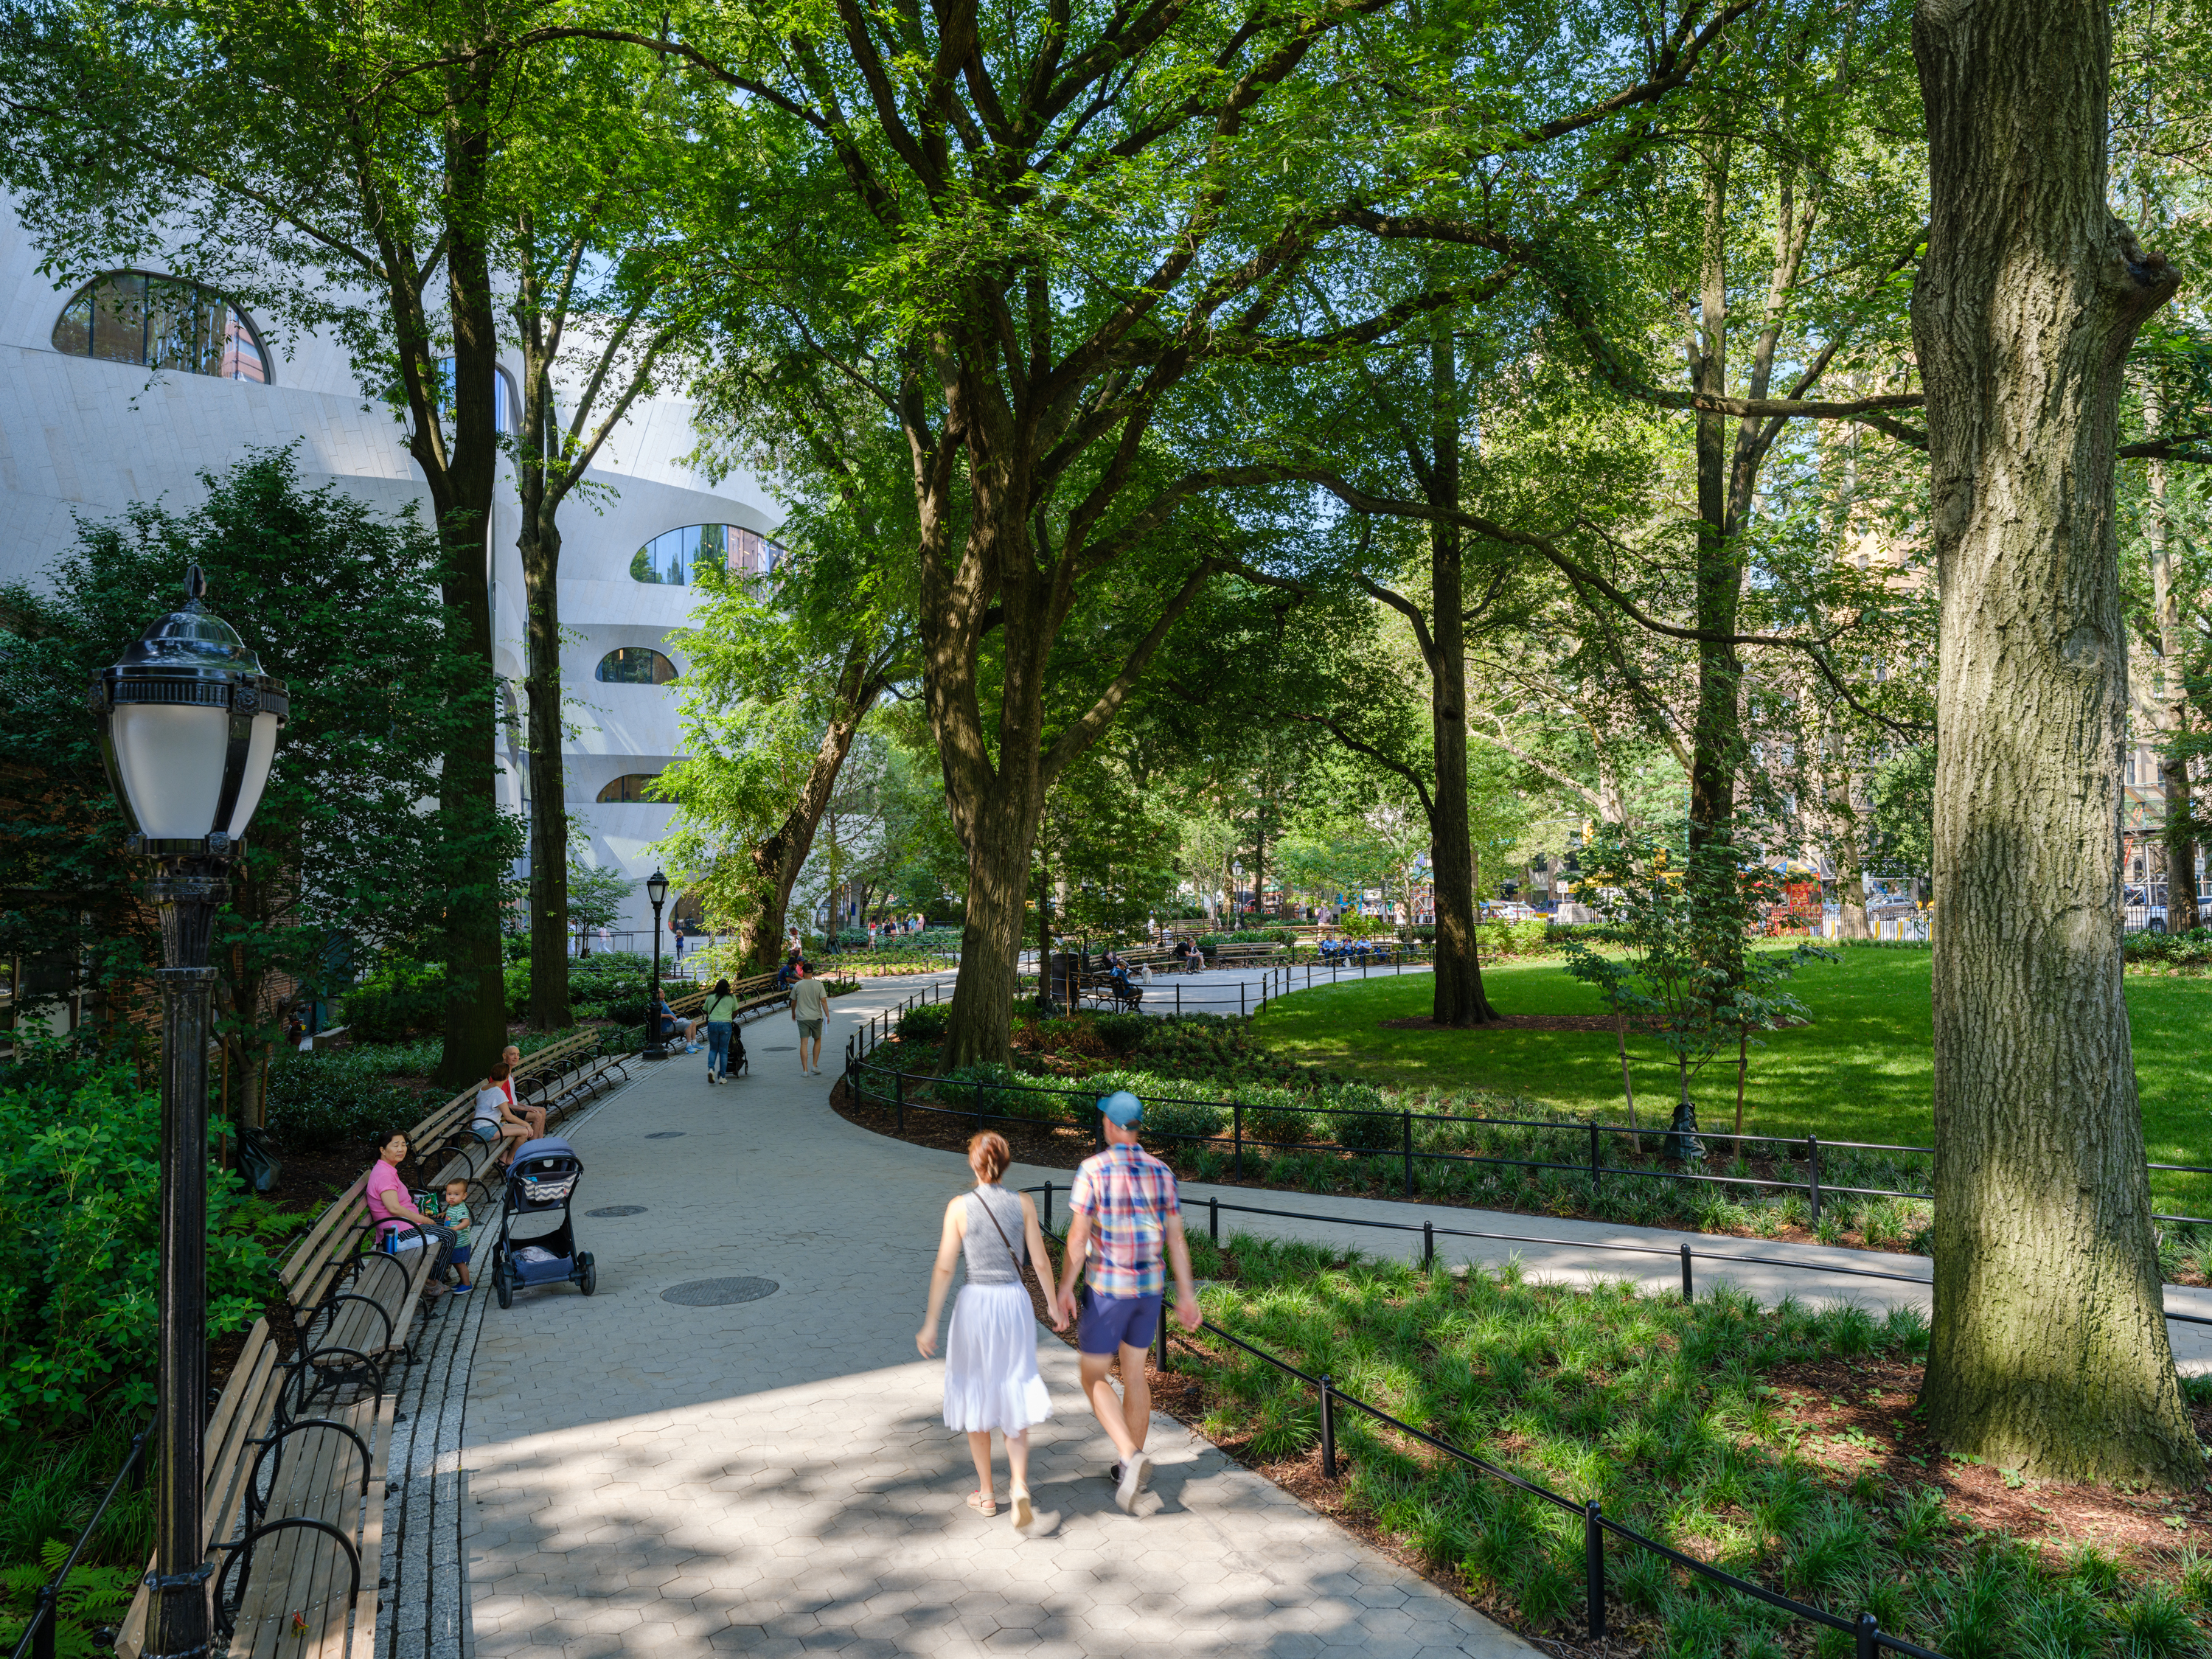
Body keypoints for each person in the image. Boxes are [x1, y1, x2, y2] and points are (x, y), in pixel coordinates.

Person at [1053, 1091, 1201, 1514]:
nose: (1103, 1125)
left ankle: (1131, 1455)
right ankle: (1126, 1467)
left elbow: (1078, 1239)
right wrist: (1186, 1295)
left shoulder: (1093, 1170)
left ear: (1115, 1126)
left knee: (1093, 1376)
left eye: (1105, 1120)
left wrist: (1065, 1288)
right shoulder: (1162, 1171)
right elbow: (1176, 1239)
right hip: (1149, 1291)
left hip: (1107, 1291)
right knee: (1135, 1374)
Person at [917, 1132, 1063, 1526]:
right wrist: (1052, 1305)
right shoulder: (1025, 1204)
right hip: (1014, 1303)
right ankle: (1019, 1486)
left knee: (977, 1390)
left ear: (973, 1163)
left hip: (976, 1304)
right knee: (1014, 1384)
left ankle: (986, 1494)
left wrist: (931, 1323)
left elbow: (946, 1267)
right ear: (1006, 1162)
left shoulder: (959, 1208)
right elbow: (1041, 1261)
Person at [364, 1132, 456, 1293]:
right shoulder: (384, 1175)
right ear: (383, 1150)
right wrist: (423, 1219)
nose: (401, 1149)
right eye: (395, 1145)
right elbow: (394, 1208)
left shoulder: (387, 1169)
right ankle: (430, 1282)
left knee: (451, 1224)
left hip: (405, 1225)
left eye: (403, 1145)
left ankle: (435, 1273)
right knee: (449, 1235)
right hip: (397, 1233)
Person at [470, 1062, 532, 1169]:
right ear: (507, 1076)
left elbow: (476, 1101)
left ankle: (505, 1157)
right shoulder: (499, 1093)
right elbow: (509, 1117)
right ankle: (510, 1160)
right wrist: (528, 1124)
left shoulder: (484, 1087)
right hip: (485, 1130)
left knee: (521, 1128)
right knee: (525, 1131)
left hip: (488, 1126)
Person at [497, 1044, 548, 1140]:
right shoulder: (501, 1076)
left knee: (542, 1110)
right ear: (504, 1056)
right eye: (513, 1054)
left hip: (515, 1108)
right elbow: (503, 1104)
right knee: (537, 1116)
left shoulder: (510, 1074)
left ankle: (540, 1141)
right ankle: (532, 1147)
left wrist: (525, 1106)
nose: (516, 1057)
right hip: (508, 1112)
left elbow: (512, 1098)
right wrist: (524, 1109)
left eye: (518, 1054)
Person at [435, 1178, 476, 1291]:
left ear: (464, 1196)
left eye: (456, 1194)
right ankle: (463, 1281)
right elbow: (452, 1215)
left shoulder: (461, 1209)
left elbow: (466, 1222)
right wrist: (445, 1213)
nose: (451, 1197)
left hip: (460, 1242)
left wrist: (454, 1229)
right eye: (449, 1194)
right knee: (456, 1263)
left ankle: (467, 1284)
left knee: (460, 1264)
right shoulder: (453, 1207)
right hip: (455, 1242)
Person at [790, 959, 829, 1075]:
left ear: (803, 972)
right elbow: (823, 1001)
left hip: (802, 1018)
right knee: (817, 1040)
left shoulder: (798, 985)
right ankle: (814, 1066)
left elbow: (793, 1002)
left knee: (804, 1043)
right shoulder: (819, 985)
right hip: (816, 1017)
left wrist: (793, 1013)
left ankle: (805, 1071)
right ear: (812, 972)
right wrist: (827, 1014)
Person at [700, 977, 740, 1084]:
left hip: (713, 1024)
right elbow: (736, 1011)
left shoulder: (711, 996)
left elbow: (706, 1011)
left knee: (713, 1049)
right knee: (723, 1051)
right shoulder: (732, 997)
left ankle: (711, 1070)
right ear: (727, 988)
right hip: (726, 1024)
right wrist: (729, 1018)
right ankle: (722, 1077)